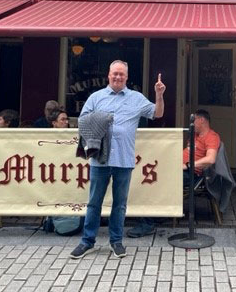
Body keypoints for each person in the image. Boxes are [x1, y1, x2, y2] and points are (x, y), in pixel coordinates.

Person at [69, 60, 165, 260]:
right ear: (108, 75)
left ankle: (116, 241)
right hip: (99, 159)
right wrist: (103, 119)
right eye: (115, 74)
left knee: (119, 204)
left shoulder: (136, 98)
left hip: (124, 159)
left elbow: (157, 113)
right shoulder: (96, 97)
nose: (118, 77)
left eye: (121, 74)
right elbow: (83, 122)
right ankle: (87, 241)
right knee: (94, 203)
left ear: (127, 77)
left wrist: (159, 95)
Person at [126, 109, 220, 238]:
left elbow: (210, 159)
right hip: (177, 169)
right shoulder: (195, 136)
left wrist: (187, 165)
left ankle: (147, 224)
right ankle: (156, 214)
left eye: (193, 121)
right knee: (148, 176)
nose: (191, 124)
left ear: (202, 120)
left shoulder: (211, 137)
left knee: (152, 182)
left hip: (192, 174)